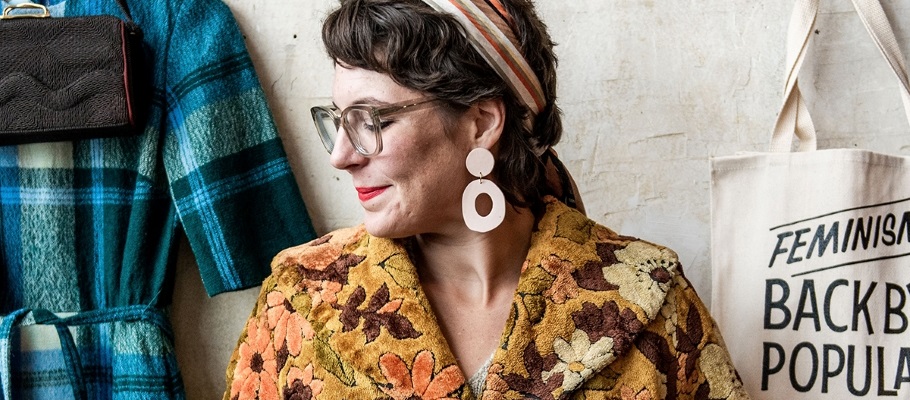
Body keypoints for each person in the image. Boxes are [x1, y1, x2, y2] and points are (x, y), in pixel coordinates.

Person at [224, 0, 750, 398]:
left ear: (481, 123)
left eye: (373, 121)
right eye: (337, 121)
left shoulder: (652, 302)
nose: (341, 156)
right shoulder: (303, 301)